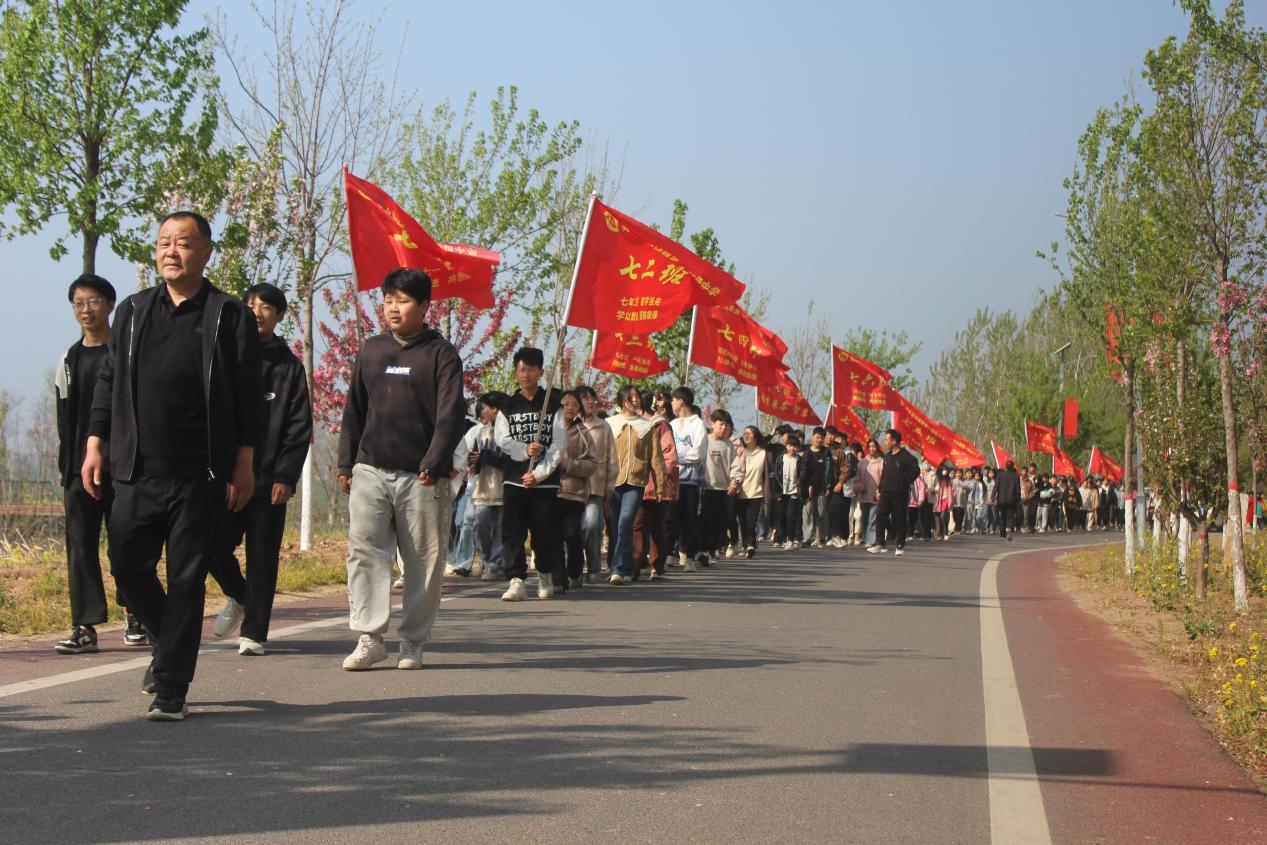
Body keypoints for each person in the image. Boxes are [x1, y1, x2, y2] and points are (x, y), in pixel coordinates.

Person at [83, 211, 263, 721]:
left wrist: (245, 463)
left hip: (200, 473)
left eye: (183, 242)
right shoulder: (134, 310)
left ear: (206, 252)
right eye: (164, 241)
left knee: (186, 579)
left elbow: (249, 395)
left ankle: (171, 686)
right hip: (136, 470)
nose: (171, 251)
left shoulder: (229, 314)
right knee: (126, 566)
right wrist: (95, 443)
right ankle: (171, 646)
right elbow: (109, 380)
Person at [337, 268, 464, 671]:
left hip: (421, 476)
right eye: (388, 299)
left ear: (424, 306)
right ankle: (369, 638)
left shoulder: (441, 354)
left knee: (423, 560)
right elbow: (354, 410)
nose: (393, 308)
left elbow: (450, 416)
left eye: (403, 300)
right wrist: (346, 463)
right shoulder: (372, 349)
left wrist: (434, 461)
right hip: (370, 468)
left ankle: (412, 641)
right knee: (365, 552)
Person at [208, 283, 312, 656]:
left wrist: (286, 476)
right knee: (210, 545)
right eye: (250, 305)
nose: (256, 311)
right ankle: (239, 595)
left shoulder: (289, 368)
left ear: (280, 315)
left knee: (263, 557)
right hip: (227, 480)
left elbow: (299, 428)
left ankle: (254, 632)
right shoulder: (225, 359)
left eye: (266, 306)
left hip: (269, 481)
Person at [54, 274, 147, 654]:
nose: (86, 310)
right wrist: (67, 467)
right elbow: (64, 420)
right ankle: (84, 625)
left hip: (123, 469)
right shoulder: (68, 360)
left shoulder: (126, 356)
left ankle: (135, 611)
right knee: (80, 547)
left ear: (110, 304)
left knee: (126, 545)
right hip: (79, 470)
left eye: (93, 301)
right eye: (78, 303)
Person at [495, 348, 567, 601]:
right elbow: (502, 439)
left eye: (531, 369)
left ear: (541, 372)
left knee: (544, 532)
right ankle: (516, 580)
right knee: (513, 532)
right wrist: (524, 450)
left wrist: (538, 473)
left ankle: (545, 573)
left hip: (544, 484)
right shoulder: (507, 406)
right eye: (522, 369)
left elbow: (558, 445)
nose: (526, 374)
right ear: (516, 372)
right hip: (514, 479)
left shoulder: (553, 406)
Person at [606, 386, 666, 584]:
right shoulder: (610, 424)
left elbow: (656, 458)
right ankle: (619, 565)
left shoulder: (647, 426)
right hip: (613, 482)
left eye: (637, 397)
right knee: (616, 527)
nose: (635, 400)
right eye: (630, 397)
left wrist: (660, 487)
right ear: (621, 400)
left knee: (625, 523)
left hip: (636, 482)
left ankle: (618, 569)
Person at [454, 392, 509, 583]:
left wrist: (487, 457)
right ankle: (487, 561)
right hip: (484, 488)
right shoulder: (480, 432)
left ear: (495, 409)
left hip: (504, 489)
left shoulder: (510, 432)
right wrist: (473, 461)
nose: (481, 412)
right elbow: (475, 462)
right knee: (480, 524)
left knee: (501, 530)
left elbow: (511, 460)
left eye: (484, 408)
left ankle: (495, 564)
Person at [556, 390, 598, 592]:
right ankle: (558, 579)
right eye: (566, 404)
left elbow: (592, 464)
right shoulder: (548, 430)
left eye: (574, 405)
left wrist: (568, 464)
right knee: (554, 536)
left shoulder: (583, 433)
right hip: (551, 492)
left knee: (572, 534)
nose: (570, 408)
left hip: (575, 494)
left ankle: (574, 572)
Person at [576, 385, 618, 583]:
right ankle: (575, 568)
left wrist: (610, 485)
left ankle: (593, 567)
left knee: (592, 525)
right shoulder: (568, 424)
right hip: (571, 487)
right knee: (574, 528)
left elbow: (612, 458)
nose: (591, 402)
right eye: (586, 399)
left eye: (593, 399)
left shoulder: (604, 426)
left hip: (595, 485)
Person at [634, 391, 678, 579]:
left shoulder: (660, 425)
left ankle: (657, 565)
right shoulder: (631, 424)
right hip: (635, 483)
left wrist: (658, 474)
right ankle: (634, 566)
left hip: (657, 484)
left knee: (656, 526)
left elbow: (670, 455)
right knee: (636, 524)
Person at [666, 386, 708, 570]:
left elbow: (698, 453)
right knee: (670, 518)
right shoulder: (673, 424)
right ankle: (667, 554)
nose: (671, 403)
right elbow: (667, 448)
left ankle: (689, 557)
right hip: (673, 479)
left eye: (673, 400)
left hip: (690, 480)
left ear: (681, 401)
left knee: (689, 519)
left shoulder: (698, 424)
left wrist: (676, 458)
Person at [870, 429, 919, 556]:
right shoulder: (887, 456)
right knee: (880, 516)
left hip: (899, 494)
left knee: (899, 518)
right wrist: (879, 489)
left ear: (894, 441)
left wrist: (904, 482)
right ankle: (880, 543)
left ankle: (900, 545)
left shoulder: (905, 456)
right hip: (885, 492)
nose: (884, 442)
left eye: (886, 439)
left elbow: (916, 470)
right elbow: (884, 474)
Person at [701, 410, 737, 562]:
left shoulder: (729, 445)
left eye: (726, 425)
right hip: (705, 489)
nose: (724, 428)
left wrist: (735, 482)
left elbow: (736, 466)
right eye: (721, 424)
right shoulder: (703, 441)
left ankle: (712, 550)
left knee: (721, 523)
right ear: (712, 424)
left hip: (724, 490)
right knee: (705, 522)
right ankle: (704, 551)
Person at [730, 425, 771, 558]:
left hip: (756, 492)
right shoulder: (739, 451)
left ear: (756, 436)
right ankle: (746, 546)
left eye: (749, 433)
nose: (746, 436)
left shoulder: (763, 453)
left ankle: (750, 545)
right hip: (740, 492)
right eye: (744, 433)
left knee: (751, 522)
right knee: (742, 522)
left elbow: (767, 474)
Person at [773, 433, 806, 550]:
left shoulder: (800, 460)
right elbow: (776, 476)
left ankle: (790, 540)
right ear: (786, 446)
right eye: (790, 446)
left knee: (791, 516)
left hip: (794, 491)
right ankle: (780, 538)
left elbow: (802, 475)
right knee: (781, 516)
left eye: (795, 446)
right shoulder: (780, 459)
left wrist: (799, 488)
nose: (793, 448)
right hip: (782, 492)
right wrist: (776, 492)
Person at [803, 426, 835, 548]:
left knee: (821, 513)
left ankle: (821, 538)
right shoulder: (807, 452)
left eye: (822, 438)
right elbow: (803, 472)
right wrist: (806, 486)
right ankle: (807, 538)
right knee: (808, 513)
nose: (819, 440)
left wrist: (828, 487)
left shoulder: (826, 453)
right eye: (817, 437)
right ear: (813, 437)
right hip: (808, 488)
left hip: (822, 488)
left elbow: (829, 471)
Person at [860, 439, 883, 549]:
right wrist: (860, 487)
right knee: (864, 519)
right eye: (870, 446)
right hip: (863, 495)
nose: (872, 448)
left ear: (877, 448)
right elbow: (857, 478)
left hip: (875, 495)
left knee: (872, 519)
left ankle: (871, 540)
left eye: (874, 446)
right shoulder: (862, 462)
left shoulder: (882, 462)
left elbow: (884, 478)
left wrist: (880, 491)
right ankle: (865, 538)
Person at [994, 460, 1021, 540]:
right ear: (1012, 467)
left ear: (1005, 467)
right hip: (1011, 499)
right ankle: (1009, 529)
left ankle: (1002, 535)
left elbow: (996, 487)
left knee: (1002, 517)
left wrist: (992, 497)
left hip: (1001, 499)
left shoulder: (1000, 475)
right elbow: (1018, 489)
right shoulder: (1016, 476)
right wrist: (1018, 499)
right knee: (1010, 516)